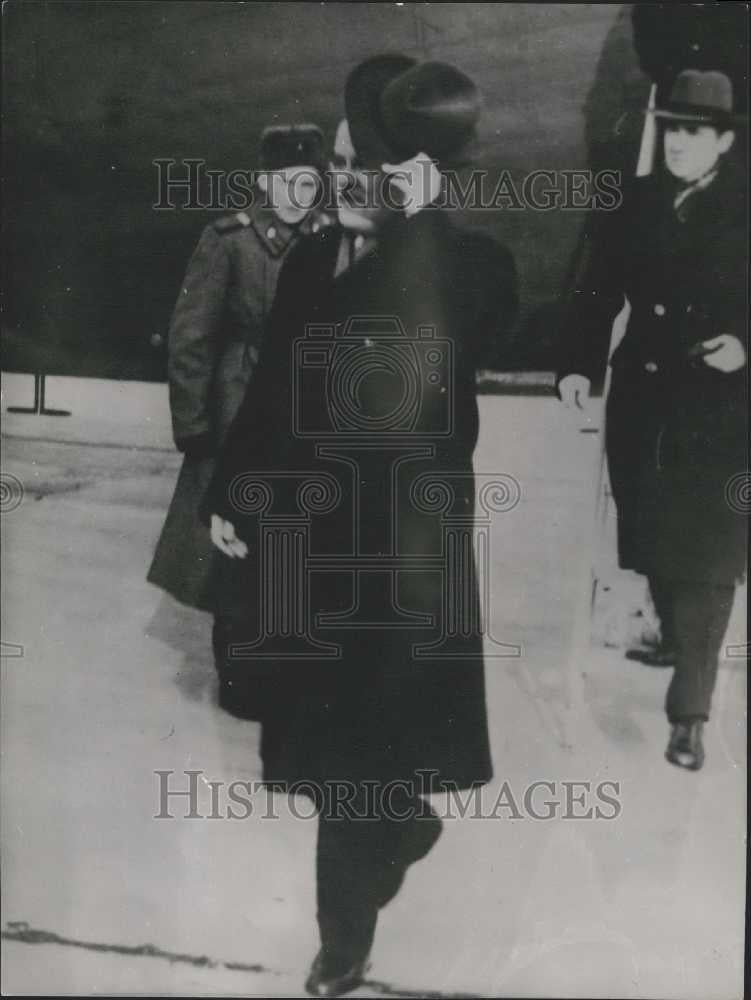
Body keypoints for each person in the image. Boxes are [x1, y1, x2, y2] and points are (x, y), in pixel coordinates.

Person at [202, 55, 518, 997]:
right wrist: (232, 490)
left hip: (400, 566)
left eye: (355, 163)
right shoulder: (308, 258)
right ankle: (392, 841)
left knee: (361, 759)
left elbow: (435, 353)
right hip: (308, 548)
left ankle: (342, 939)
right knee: (326, 755)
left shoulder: (467, 269)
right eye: (337, 159)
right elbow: (268, 390)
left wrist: (415, 224)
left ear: (406, 179)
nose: (335, 177)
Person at [558, 70, 747, 771]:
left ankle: (689, 711)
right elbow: (593, 291)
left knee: (709, 558)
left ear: (722, 141)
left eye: (693, 132)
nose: (676, 143)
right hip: (644, 402)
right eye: (670, 129)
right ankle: (673, 634)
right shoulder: (633, 203)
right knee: (652, 542)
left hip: (723, 411)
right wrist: (575, 364)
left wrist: (744, 343)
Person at [147, 124, 330, 705]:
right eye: (288, 182)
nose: (300, 195)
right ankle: (237, 672)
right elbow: (191, 336)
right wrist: (194, 424)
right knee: (230, 543)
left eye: (309, 182)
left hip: (302, 403)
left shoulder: (327, 238)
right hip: (237, 403)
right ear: (263, 182)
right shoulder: (229, 239)